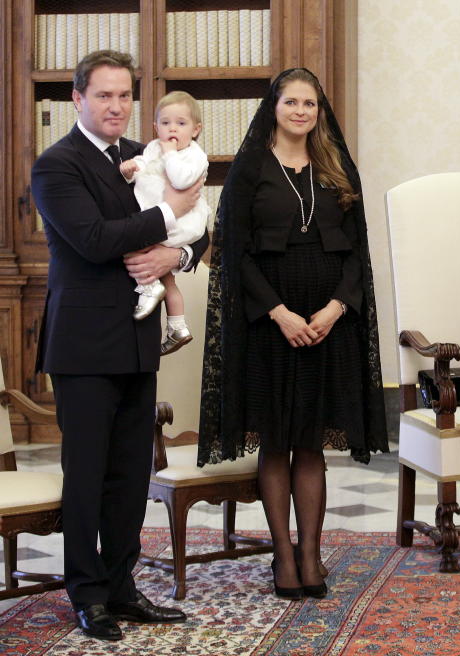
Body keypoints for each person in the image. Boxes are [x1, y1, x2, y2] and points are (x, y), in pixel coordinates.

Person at [30, 50, 207, 641]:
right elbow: (94, 240)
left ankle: (122, 586)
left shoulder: (144, 154)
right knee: (87, 475)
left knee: (132, 473)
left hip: (136, 340)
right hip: (82, 346)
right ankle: (86, 595)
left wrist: (175, 252)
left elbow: (201, 229)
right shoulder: (56, 165)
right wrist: (169, 213)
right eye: (103, 95)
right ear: (78, 99)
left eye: (125, 96)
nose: (116, 106)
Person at [197, 68, 388, 600]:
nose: (301, 111)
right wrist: (279, 312)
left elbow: (357, 254)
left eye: (310, 103)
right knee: (276, 443)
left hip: (328, 326)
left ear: (319, 111)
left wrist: (333, 309)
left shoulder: (335, 169)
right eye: (292, 102)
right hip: (270, 326)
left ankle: (311, 552)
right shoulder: (250, 168)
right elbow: (233, 252)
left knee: (311, 444)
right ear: (274, 107)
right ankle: (283, 554)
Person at [119, 91, 210, 355]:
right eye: (166, 123)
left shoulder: (193, 155)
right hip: (160, 220)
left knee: (135, 247)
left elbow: (181, 181)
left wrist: (169, 154)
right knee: (168, 280)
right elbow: (144, 164)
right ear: (155, 127)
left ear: (196, 130)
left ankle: (148, 286)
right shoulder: (152, 147)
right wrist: (130, 169)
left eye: (181, 123)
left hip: (180, 223)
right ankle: (177, 327)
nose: (172, 129)